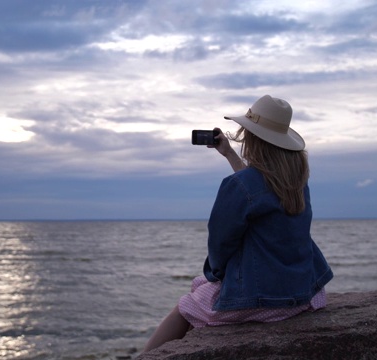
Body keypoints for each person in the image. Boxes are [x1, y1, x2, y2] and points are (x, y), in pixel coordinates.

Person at [142, 95, 333, 353]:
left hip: (262, 301)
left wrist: (216, 273)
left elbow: (220, 243)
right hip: (302, 294)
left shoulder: (239, 186)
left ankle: (145, 357)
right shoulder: (296, 184)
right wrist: (229, 154)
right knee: (203, 286)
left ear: (253, 139)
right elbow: (259, 189)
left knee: (186, 306)